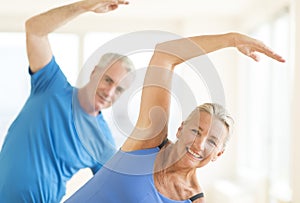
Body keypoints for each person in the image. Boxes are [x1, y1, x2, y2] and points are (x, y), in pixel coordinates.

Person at [65, 32, 285, 203]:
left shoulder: (193, 199)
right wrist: (231, 39)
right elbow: (164, 55)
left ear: (219, 153)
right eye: (196, 131)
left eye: (211, 141)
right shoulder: (148, 143)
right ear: (180, 129)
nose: (199, 144)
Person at [0, 0, 134, 202]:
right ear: (94, 71)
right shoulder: (51, 86)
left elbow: (116, 190)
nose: (110, 91)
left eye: (119, 89)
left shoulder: (102, 141)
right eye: (108, 80)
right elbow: (34, 30)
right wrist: (84, 6)